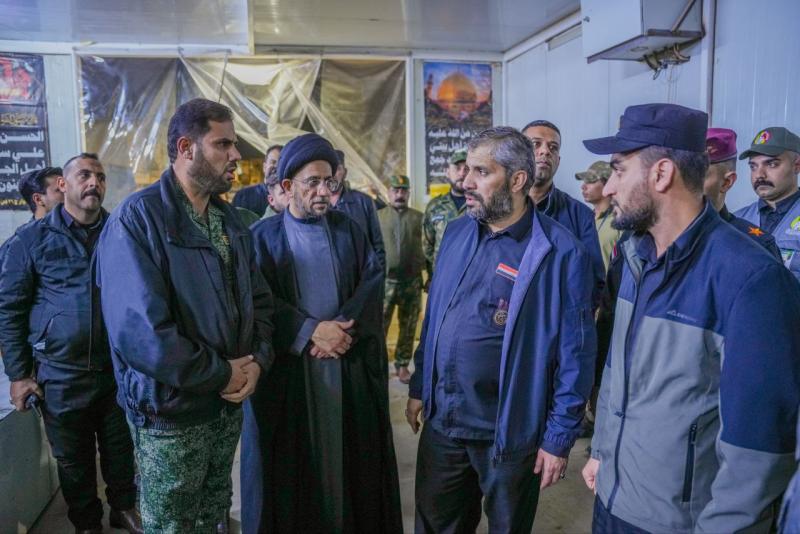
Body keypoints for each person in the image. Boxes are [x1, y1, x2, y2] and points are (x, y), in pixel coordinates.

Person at [581, 103, 800, 533]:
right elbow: (616, 373)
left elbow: (758, 451)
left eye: (619, 170)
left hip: (678, 521)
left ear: (662, 174)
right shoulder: (635, 258)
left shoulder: (751, 280)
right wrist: (602, 450)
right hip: (612, 499)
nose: (608, 187)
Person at [96, 98, 274, 533]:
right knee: (172, 524)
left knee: (213, 514)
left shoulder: (230, 221)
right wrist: (220, 373)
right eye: (223, 144)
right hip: (171, 415)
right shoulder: (138, 220)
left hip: (225, 408)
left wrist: (257, 363)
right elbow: (142, 334)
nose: (236, 155)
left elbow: (261, 303)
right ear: (186, 148)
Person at [407, 126, 596, 533]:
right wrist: (420, 386)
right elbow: (435, 317)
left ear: (517, 180)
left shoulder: (561, 253)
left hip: (508, 433)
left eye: (481, 172)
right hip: (444, 424)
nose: (466, 181)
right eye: (467, 170)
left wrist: (559, 436)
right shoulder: (457, 232)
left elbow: (576, 355)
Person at [242, 133, 402, 533]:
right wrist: (309, 330)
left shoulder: (350, 231)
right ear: (286, 186)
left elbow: (371, 282)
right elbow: (258, 301)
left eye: (329, 182)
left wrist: (341, 330)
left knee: (350, 469)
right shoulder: (262, 238)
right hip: (291, 371)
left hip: (345, 364)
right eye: (311, 182)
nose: (323, 192)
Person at [0, 153, 141, 534]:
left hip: (116, 370)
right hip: (61, 373)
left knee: (121, 449)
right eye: (84, 175)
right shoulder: (30, 240)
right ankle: (87, 523)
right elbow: (9, 309)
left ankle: (123, 508)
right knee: (73, 460)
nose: (94, 182)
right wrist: (19, 374)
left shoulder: (121, 233)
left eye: (100, 177)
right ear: (63, 185)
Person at [523, 119, 605, 299]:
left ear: (558, 161)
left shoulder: (580, 216)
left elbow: (594, 282)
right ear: (518, 154)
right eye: (536, 144)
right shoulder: (499, 210)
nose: (545, 151)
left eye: (553, 147)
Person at [734, 126, 800, 281]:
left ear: (797, 165)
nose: (759, 175)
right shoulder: (736, 220)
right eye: (753, 166)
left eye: (771, 164)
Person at [704, 127, 780, 258]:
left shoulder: (755, 247)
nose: (684, 185)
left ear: (726, 182)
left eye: (698, 176)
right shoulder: (667, 236)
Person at [378, 174, 424, 384]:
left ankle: (403, 364)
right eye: (395, 190)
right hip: (384, 282)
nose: (399, 194)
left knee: (408, 326)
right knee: (379, 325)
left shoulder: (418, 218)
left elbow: (428, 247)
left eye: (403, 190)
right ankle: (379, 364)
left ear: (408, 193)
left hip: (411, 282)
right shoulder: (378, 217)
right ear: (389, 192)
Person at [329, 149, 386, 270]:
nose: (332, 174)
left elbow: (377, 247)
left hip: (360, 276)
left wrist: (377, 278)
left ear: (345, 173)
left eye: (337, 169)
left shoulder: (364, 202)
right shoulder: (315, 205)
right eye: (329, 169)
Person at [422, 149, 468, 278]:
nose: (462, 173)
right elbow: (427, 245)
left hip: (471, 278)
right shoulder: (435, 206)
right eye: (457, 168)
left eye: (466, 169)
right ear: (447, 172)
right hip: (442, 276)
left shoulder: (482, 205)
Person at [576, 161, 621, 270]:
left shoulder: (620, 222)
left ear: (608, 184)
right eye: (584, 181)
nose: (583, 186)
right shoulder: (582, 220)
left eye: (590, 181)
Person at [232, 143, 282, 217]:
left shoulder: (291, 197)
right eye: (273, 162)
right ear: (264, 167)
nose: (277, 167)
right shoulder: (244, 196)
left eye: (281, 163)